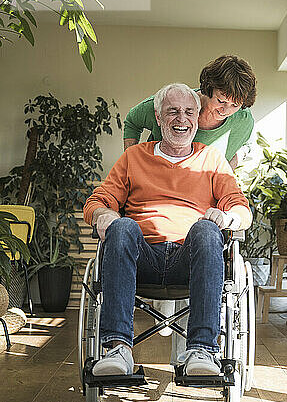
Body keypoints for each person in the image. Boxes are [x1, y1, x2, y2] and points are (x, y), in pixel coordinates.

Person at [83, 83, 252, 377]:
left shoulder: (212, 159)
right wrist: (102, 214)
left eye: (189, 112)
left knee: (208, 230)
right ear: (158, 118)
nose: (181, 119)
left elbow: (241, 208)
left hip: (190, 259)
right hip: (141, 259)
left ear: (198, 118)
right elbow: (99, 200)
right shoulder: (134, 157)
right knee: (121, 226)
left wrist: (228, 218)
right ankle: (117, 349)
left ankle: (202, 350)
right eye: (172, 111)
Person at [122, 55, 256, 170]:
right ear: (208, 88)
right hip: (156, 181)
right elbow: (132, 121)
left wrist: (227, 173)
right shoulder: (171, 103)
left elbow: (246, 145)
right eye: (221, 101)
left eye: (235, 105)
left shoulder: (243, 119)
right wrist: (132, 165)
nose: (226, 111)